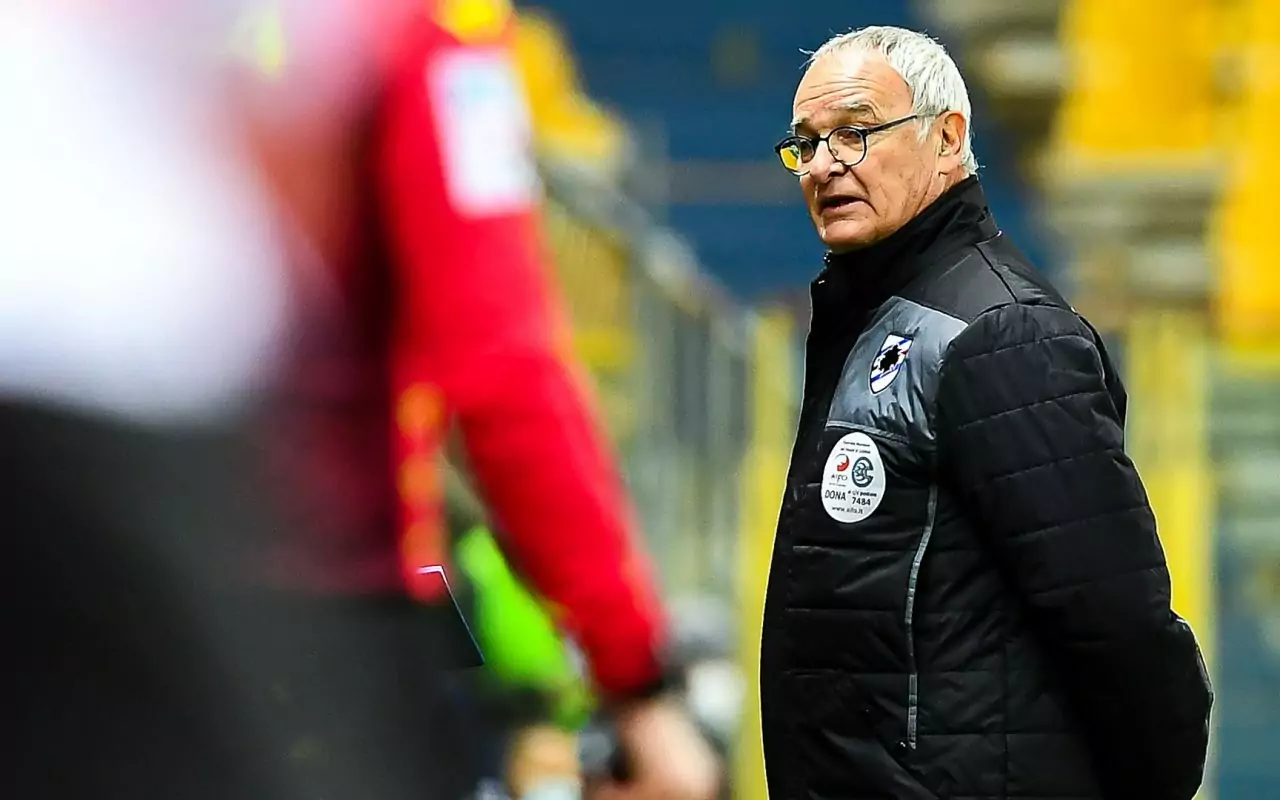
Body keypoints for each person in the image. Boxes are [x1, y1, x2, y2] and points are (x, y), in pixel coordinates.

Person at [229, 2, 719, 799]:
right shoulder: (433, 31)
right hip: (326, 628)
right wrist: (637, 679)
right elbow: (504, 370)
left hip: (85, 593)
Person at [758, 25, 1213, 800]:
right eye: (807, 143)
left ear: (947, 138)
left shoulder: (1003, 332)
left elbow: (1115, 616)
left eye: (856, 133)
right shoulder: (872, 318)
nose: (825, 163)